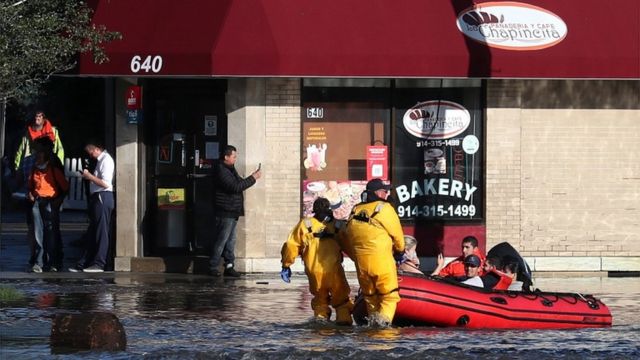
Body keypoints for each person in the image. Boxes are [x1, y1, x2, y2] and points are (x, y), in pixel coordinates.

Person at [280, 197, 353, 325]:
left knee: (320, 300)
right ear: (329, 209)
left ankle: (321, 321)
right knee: (341, 300)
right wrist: (358, 261)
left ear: (314, 210)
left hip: (314, 271)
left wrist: (286, 264)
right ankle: (344, 322)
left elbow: (291, 246)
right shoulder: (337, 225)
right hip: (334, 270)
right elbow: (350, 246)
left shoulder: (305, 225)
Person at [343, 178, 404, 326]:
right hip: (381, 263)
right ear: (378, 193)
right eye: (385, 191)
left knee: (370, 297)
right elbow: (398, 235)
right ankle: (383, 331)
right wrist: (400, 252)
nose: (387, 193)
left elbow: (347, 238)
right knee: (389, 296)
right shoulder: (385, 209)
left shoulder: (355, 210)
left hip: (362, 266)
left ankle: (372, 330)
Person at [209, 145, 261, 277]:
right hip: (225, 210)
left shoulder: (230, 169)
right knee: (222, 239)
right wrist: (253, 178)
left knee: (231, 240)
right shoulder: (221, 170)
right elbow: (235, 187)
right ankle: (213, 266)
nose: (235, 159)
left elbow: (239, 183)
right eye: (234, 156)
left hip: (232, 210)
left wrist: (251, 178)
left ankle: (229, 265)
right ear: (226, 157)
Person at [69, 141, 114, 273]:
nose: (92, 155)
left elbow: (106, 183)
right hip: (98, 196)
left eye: (92, 152)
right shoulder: (101, 161)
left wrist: (89, 177)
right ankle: (85, 262)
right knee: (93, 231)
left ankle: (99, 263)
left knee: (101, 231)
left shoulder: (106, 161)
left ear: (98, 149)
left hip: (103, 196)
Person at [27, 137, 69, 272]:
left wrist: (58, 200)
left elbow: (64, 186)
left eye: (40, 151)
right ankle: (39, 261)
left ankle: (53, 261)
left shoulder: (54, 166)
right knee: (38, 232)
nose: (37, 154)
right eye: (36, 151)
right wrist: (31, 193)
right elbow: (30, 185)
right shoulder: (34, 168)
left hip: (51, 202)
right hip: (37, 202)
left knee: (51, 232)